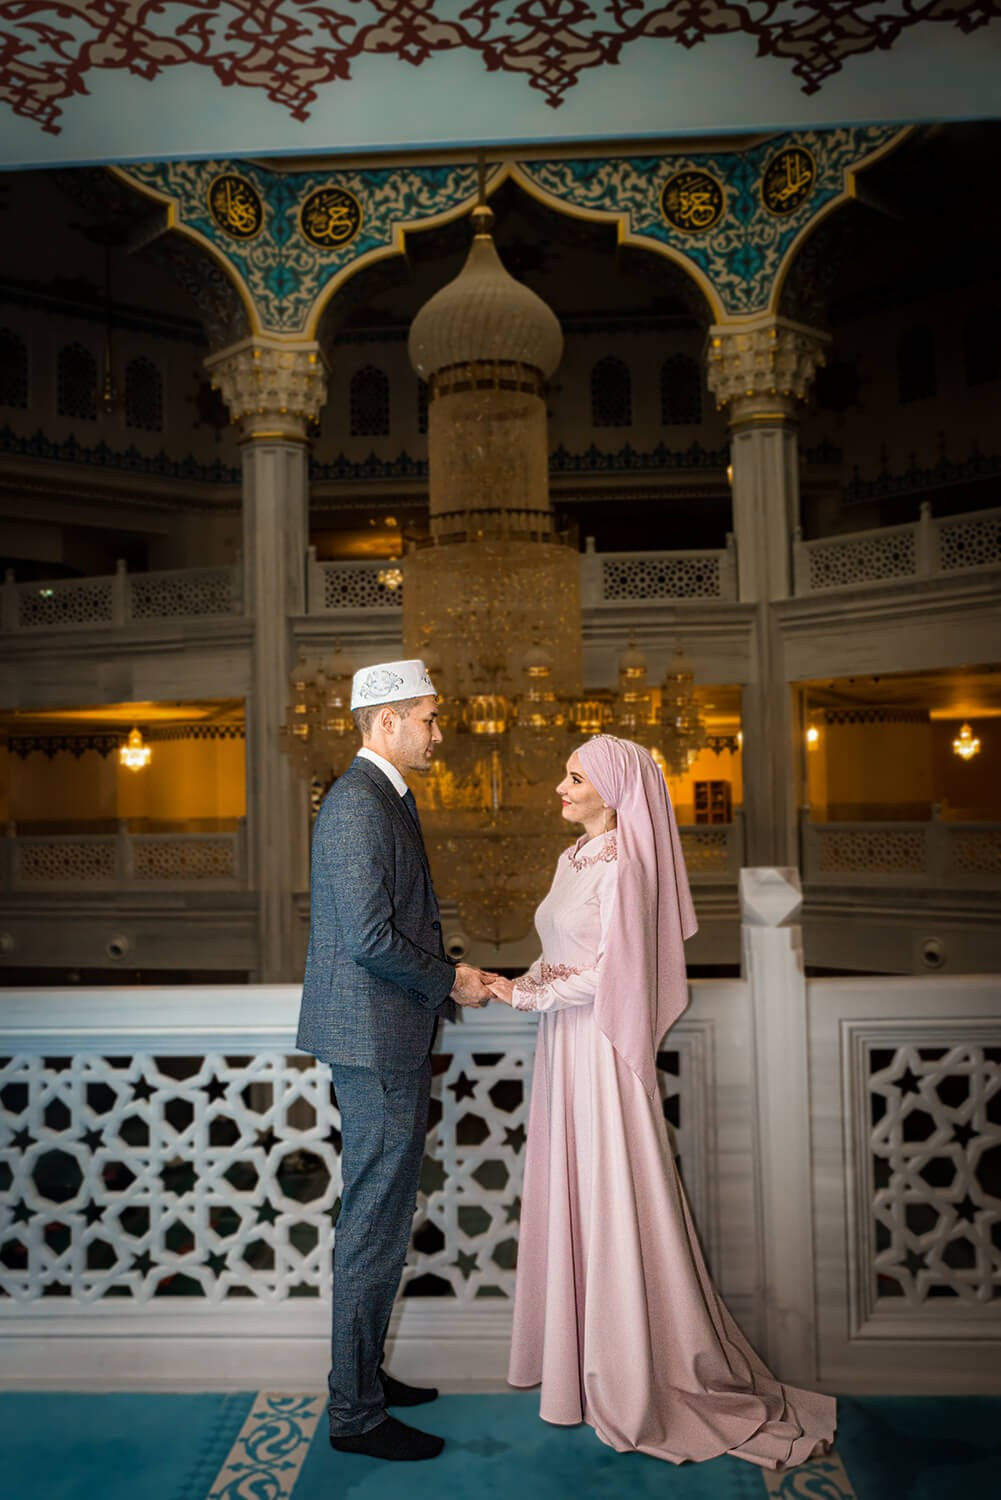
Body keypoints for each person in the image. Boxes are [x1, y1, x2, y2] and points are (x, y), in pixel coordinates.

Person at [489, 734, 836, 1470]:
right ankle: (581, 1368)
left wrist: (524, 996)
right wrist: (505, 983)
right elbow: (560, 953)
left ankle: (636, 1372)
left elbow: (616, 976)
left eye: (573, 777)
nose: (559, 787)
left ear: (611, 792)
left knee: (614, 1194)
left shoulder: (626, 866)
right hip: (563, 1045)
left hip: (601, 1049)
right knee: (573, 1191)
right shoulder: (572, 858)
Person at [297, 658, 496, 1463]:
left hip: (388, 1034)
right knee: (373, 1225)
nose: (439, 732)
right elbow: (371, 940)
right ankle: (354, 1414)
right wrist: (454, 978)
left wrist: (450, 974)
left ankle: (365, 1381)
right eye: (429, 717)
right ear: (386, 722)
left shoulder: (380, 797)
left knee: (379, 1218)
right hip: (374, 1040)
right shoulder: (356, 803)